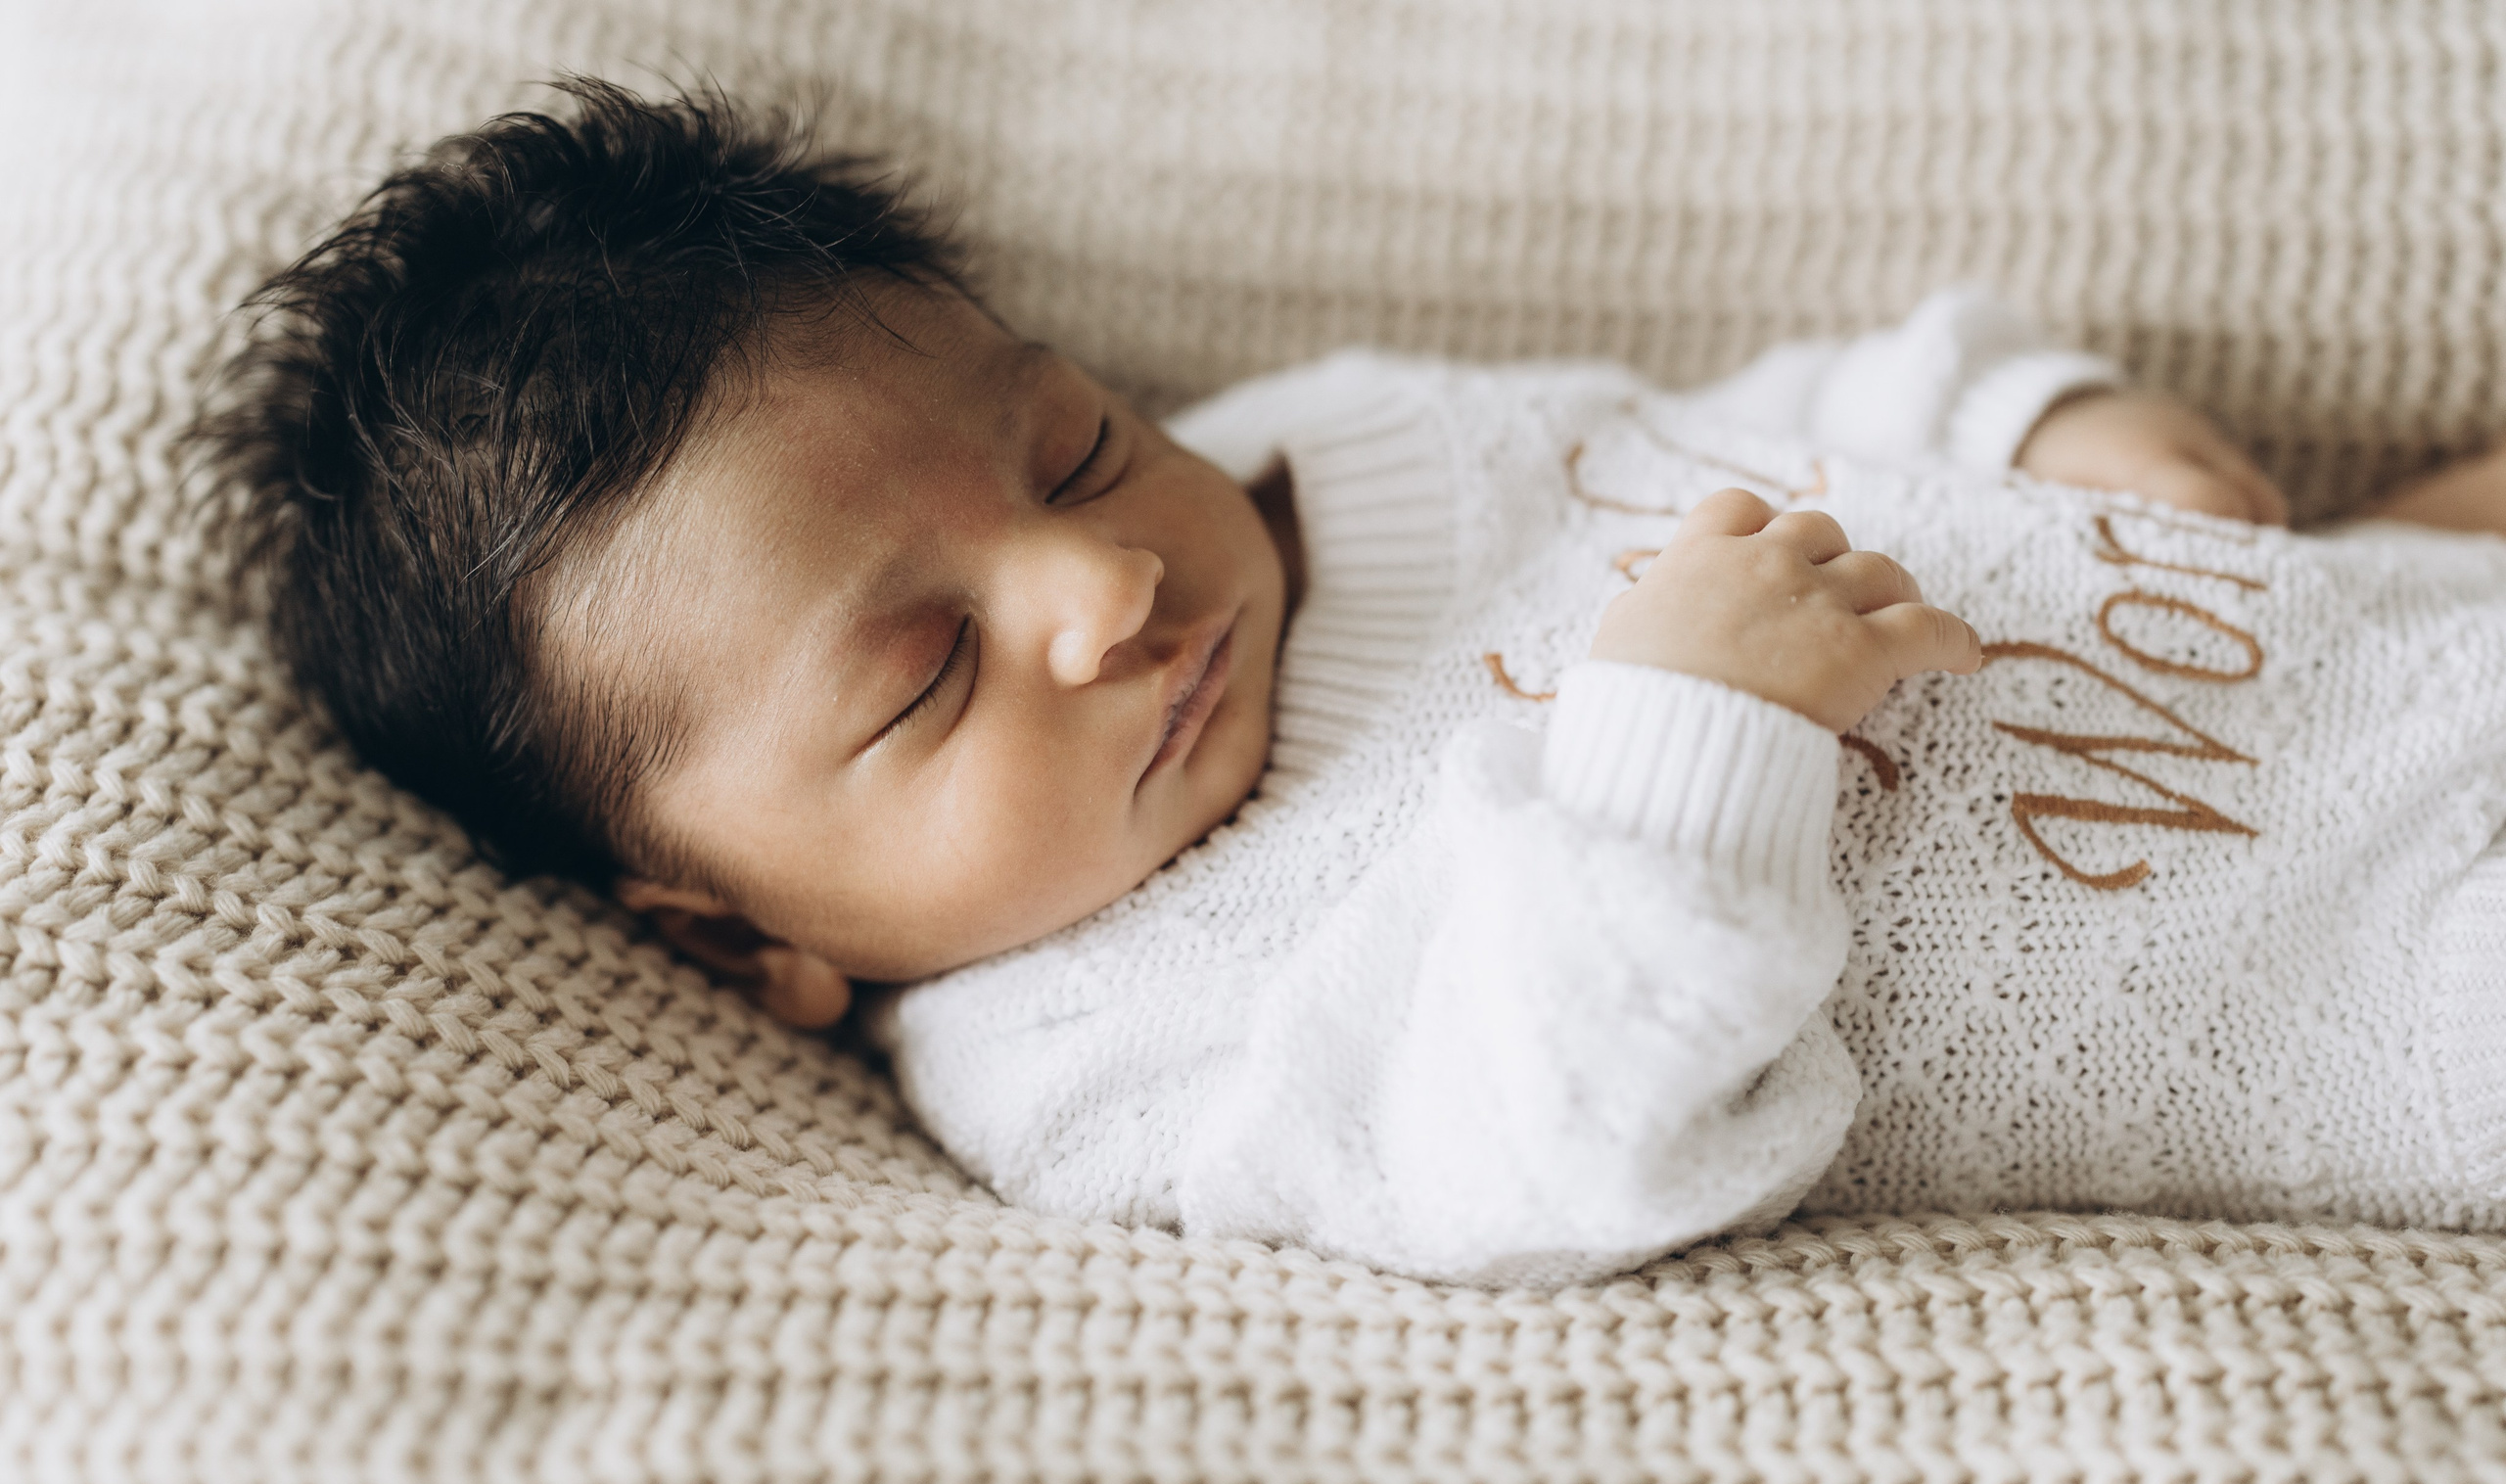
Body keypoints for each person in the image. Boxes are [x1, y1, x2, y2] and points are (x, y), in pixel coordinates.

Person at [208, 79, 2506, 1286]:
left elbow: (1735, 404)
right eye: (923, 677)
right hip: (2354, 977)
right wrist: (1690, 750)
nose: (1099, 576)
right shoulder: (1095, 1054)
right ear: (741, 929)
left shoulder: (1332, 437)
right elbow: (1534, 1154)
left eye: (1071, 439)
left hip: (2324, 625)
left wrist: (2018, 418)